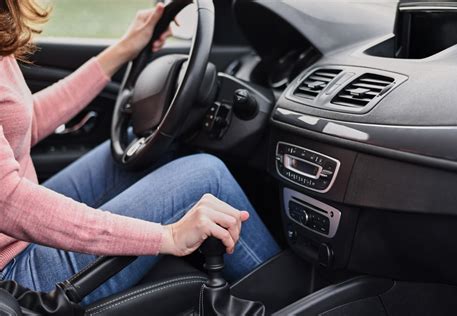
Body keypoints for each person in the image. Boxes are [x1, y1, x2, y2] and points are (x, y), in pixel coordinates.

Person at [0, 1, 280, 305]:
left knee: (148, 144)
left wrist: (126, 48)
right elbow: (8, 203)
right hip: (13, 274)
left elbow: (27, 121)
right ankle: (287, 302)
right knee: (206, 175)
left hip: (15, 230)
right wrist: (167, 236)